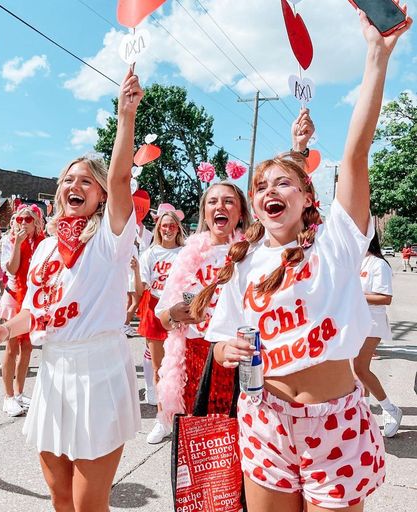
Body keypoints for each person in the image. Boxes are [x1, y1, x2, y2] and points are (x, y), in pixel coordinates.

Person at [192, 11, 411, 510]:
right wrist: (226, 352)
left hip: (333, 423)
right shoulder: (242, 262)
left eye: (283, 182)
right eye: (261, 186)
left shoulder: (336, 242)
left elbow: (356, 156)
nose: (270, 190)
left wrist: (376, 56)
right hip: (263, 418)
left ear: (309, 198)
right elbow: (226, 338)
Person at [0, 69, 143, 512]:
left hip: (100, 372)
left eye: (87, 181)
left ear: (101, 195)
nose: (75, 186)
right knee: (59, 499)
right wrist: (3, 328)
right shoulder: (47, 245)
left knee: (89, 504)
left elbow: (123, 180)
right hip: (54, 373)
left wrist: (124, 116)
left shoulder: (111, 239)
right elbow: (36, 310)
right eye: (69, 180)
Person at [155, 182, 252, 433]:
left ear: (241, 212)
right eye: (212, 201)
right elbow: (164, 318)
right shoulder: (187, 255)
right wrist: (175, 314)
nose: (220, 206)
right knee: (199, 440)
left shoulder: (253, 253)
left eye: (229, 201)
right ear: (205, 213)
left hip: (238, 357)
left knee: (239, 437)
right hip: (195, 360)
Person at [137, 205, 185, 443]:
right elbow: (142, 286)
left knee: (181, 366)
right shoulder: (149, 254)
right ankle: (162, 420)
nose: (168, 229)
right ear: (158, 228)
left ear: (178, 228)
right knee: (159, 368)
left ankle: (182, 415)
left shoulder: (186, 253)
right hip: (155, 311)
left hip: (180, 312)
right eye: (164, 225)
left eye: (172, 225)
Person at [0, 205, 45, 417]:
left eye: (28, 220)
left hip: (33, 300)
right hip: (14, 298)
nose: (23, 223)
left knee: (27, 349)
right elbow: (13, 269)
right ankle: (8, 397)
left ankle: (19, 392)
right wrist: (18, 244)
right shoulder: (9, 240)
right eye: (20, 220)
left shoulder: (44, 243)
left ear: (36, 223)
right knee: (11, 348)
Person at [355, 232, 401, 437]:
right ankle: (364, 415)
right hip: (353, 322)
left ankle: (390, 409)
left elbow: (385, 298)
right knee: (355, 372)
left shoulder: (378, 264)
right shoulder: (354, 263)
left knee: (360, 368)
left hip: (373, 322)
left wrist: (357, 296)